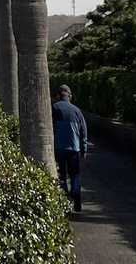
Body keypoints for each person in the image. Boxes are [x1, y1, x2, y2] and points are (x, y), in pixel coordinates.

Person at [52, 84, 88, 213]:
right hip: (74, 148)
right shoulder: (77, 110)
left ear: (58, 96)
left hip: (59, 148)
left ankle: (65, 203)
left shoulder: (54, 108)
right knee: (75, 175)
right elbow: (83, 131)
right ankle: (77, 203)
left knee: (61, 175)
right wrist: (84, 149)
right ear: (69, 96)